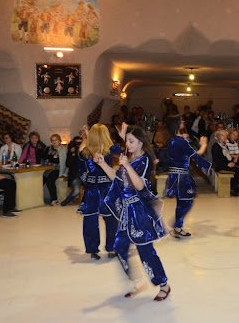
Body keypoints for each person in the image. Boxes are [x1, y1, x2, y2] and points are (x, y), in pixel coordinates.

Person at [101, 125, 171, 301]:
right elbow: (116, 179)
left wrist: (126, 166)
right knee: (120, 248)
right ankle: (138, 281)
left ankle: (164, 285)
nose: (128, 144)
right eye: (126, 141)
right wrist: (102, 163)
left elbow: (140, 186)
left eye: (131, 141)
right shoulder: (129, 159)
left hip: (139, 211)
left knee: (146, 251)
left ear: (141, 142)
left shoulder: (144, 160)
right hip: (126, 212)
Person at [77, 124, 118, 260]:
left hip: (92, 190)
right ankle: (112, 248)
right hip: (107, 189)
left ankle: (93, 249)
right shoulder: (111, 150)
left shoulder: (85, 153)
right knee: (111, 220)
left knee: (90, 220)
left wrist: (87, 180)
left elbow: (81, 170)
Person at [164, 118, 210, 238]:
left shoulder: (172, 140)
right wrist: (204, 145)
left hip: (175, 174)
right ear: (177, 125)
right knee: (187, 201)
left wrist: (183, 139)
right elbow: (195, 156)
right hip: (181, 176)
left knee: (181, 201)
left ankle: (177, 226)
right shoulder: (181, 141)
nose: (184, 122)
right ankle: (177, 225)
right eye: (181, 121)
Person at [211, 129, 239, 196]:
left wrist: (232, 162)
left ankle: (234, 187)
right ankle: (232, 188)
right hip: (219, 166)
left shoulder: (224, 145)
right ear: (218, 137)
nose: (225, 137)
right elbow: (217, 160)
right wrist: (227, 164)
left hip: (225, 164)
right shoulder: (216, 146)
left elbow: (227, 157)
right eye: (222, 135)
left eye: (226, 136)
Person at [42, 134, 68, 206]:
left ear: (59, 141)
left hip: (58, 169)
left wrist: (51, 158)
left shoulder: (64, 149)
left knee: (50, 180)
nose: (54, 142)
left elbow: (63, 162)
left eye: (56, 140)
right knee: (40, 180)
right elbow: (45, 159)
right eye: (52, 140)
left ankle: (54, 199)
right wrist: (52, 159)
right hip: (47, 169)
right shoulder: (48, 149)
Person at [60, 136, 83, 206]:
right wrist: (73, 154)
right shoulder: (71, 154)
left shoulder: (84, 153)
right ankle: (64, 202)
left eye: (79, 143)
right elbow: (68, 164)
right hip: (75, 176)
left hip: (85, 175)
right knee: (76, 191)